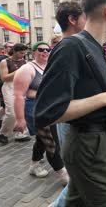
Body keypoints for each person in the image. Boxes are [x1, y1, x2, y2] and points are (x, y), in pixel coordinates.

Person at [34, 0, 106, 207]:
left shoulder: (96, 48)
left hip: (97, 145)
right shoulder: (71, 46)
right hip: (88, 148)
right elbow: (48, 112)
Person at [47, 1, 86, 207]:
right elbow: (58, 100)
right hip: (69, 121)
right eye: (84, 17)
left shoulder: (75, 46)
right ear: (72, 20)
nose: (87, 21)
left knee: (79, 181)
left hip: (73, 121)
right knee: (78, 180)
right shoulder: (67, 48)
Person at [13, 42, 69, 183]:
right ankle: (63, 175)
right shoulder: (27, 69)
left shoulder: (49, 66)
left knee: (42, 139)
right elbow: (19, 95)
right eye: (41, 50)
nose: (45, 52)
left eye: (47, 50)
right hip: (35, 110)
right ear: (33, 52)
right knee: (51, 141)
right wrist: (20, 120)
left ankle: (34, 165)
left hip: (50, 109)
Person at [0, 43, 31, 144]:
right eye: (21, 53)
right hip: (9, 87)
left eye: (24, 53)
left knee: (22, 111)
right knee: (11, 113)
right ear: (15, 51)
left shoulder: (24, 61)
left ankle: (21, 133)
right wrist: (19, 71)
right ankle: (3, 132)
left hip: (22, 86)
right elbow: (4, 78)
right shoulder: (5, 61)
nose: (23, 55)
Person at [0, 41, 14, 131]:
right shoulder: (0, 59)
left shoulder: (19, 58)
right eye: (9, 47)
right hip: (2, 85)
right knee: (6, 106)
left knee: (11, 106)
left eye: (13, 47)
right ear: (5, 48)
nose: (11, 48)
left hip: (15, 85)